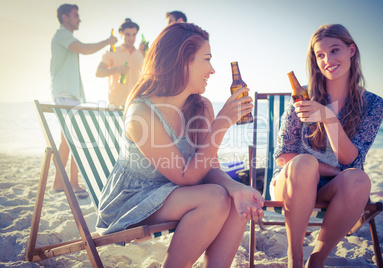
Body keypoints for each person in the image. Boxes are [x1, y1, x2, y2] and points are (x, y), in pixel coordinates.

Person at [96, 22, 264, 267]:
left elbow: (209, 168)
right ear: (183, 60)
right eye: (206, 59)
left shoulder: (200, 106)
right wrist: (223, 123)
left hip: (174, 192)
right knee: (215, 198)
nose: (213, 70)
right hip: (133, 200)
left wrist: (235, 187)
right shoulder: (142, 113)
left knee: (233, 199)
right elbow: (187, 177)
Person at [271, 24, 383, 268]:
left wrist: (329, 118)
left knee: (359, 180)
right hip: (291, 185)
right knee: (304, 163)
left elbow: (351, 162)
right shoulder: (301, 99)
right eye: (320, 55)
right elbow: (282, 157)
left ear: (351, 50)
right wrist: (329, 170)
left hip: (332, 193)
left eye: (335, 51)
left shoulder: (373, 104)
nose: (328, 60)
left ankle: (317, 261)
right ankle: (296, 258)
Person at [50, 4, 117, 198]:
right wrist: (108, 41)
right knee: (75, 140)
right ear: (65, 17)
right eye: (75, 15)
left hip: (70, 95)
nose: (79, 19)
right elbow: (85, 49)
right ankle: (72, 183)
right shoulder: (61, 34)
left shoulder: (65, 36)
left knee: (67, 141)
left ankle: (58, 183)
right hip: (65, 95)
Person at [96, 18, 146, 108]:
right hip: (116, 104)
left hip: (136, 104)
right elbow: (99, 72)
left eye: (134, 35)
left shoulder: (141, 54)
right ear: (121, 34)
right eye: (128, 35)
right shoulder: (113, 52)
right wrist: (117, 69)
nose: (131, 38)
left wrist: (145, 54)